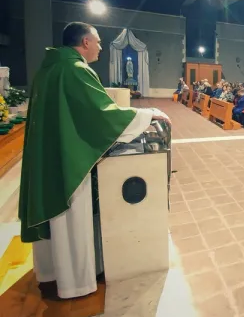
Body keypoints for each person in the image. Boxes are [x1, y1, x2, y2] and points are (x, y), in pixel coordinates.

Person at [19, 22, 170, 300]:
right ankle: (74, 282)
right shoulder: (75, 70)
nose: (101, 46)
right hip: (68, 157)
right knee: (70, 214)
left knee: (53, 212)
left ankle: (51, 271)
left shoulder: (49, 69)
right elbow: (103, 114)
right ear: (85, 42)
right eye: (98, 41)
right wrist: (147, 114)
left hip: (51, 153)